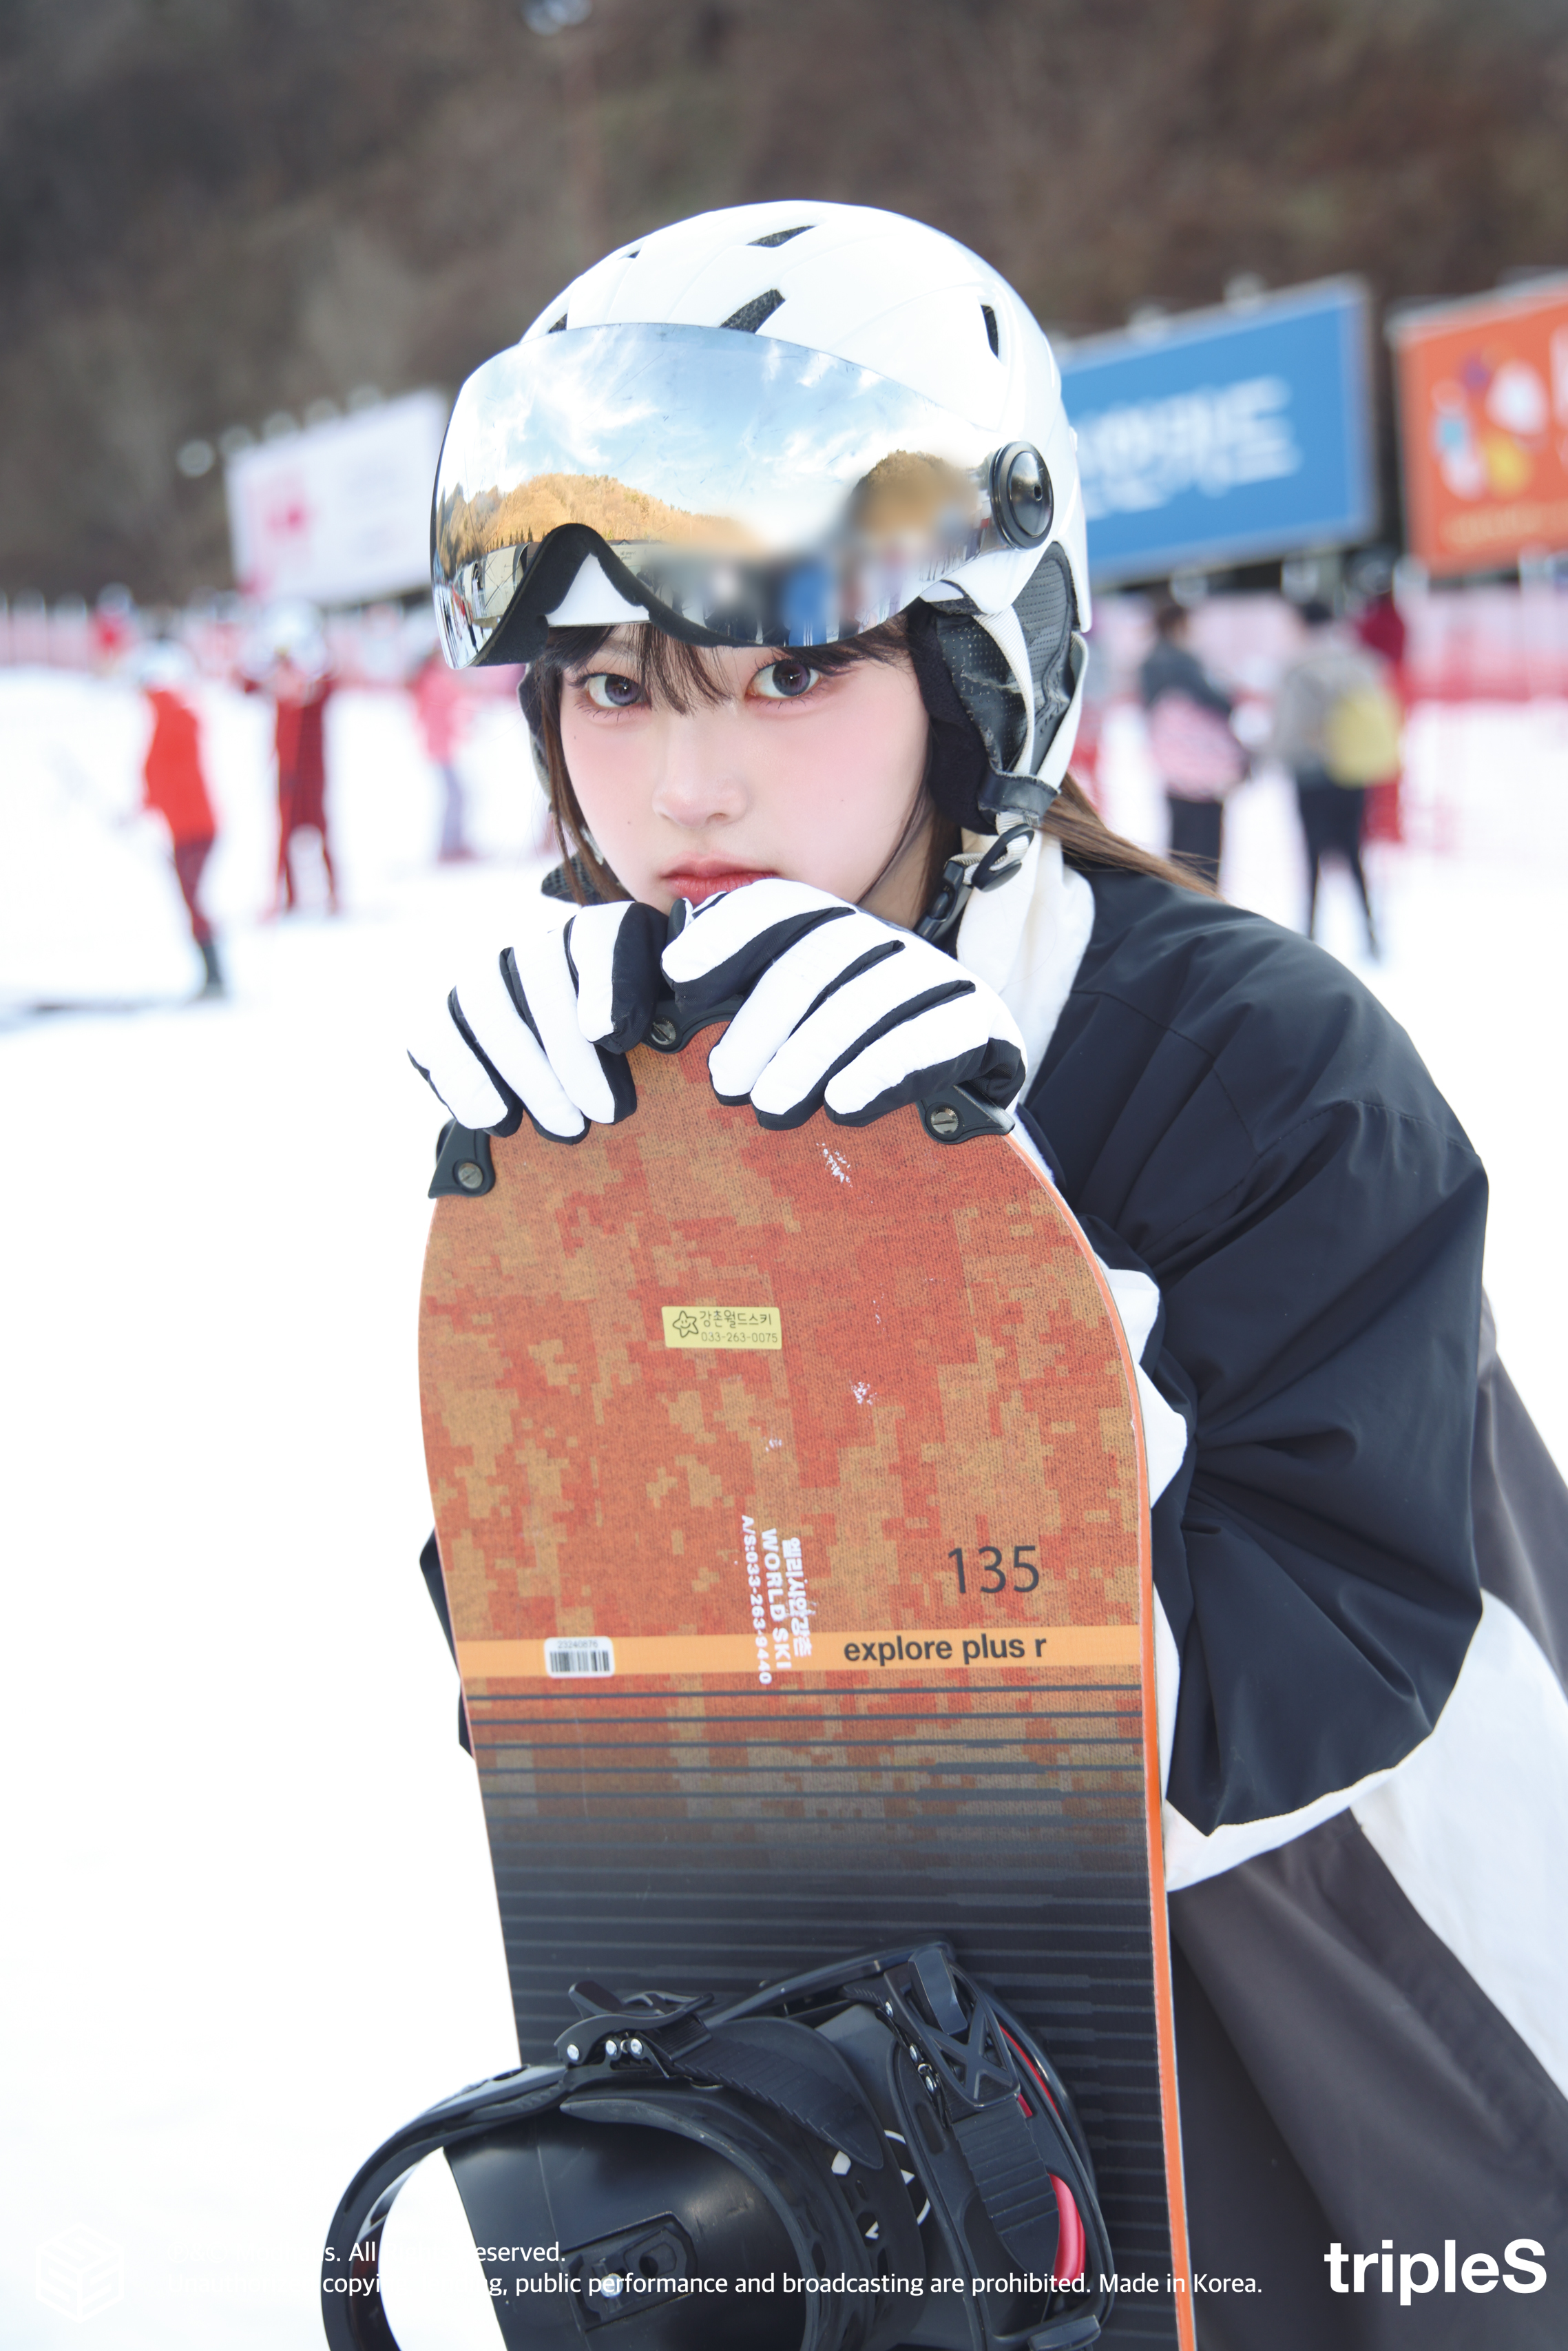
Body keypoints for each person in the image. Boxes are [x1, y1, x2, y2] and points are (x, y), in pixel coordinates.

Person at [403, 205, 1567, 2347]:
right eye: (613, 684)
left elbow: (1349, 1656)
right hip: (882, 2097)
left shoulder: (1251, 1061)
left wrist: (955, 1261)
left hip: (1336, 2058)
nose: (686, 779)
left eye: (788, 668)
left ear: (973, 665)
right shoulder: (615, 1073)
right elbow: (595, 1711)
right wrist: (559, 1291)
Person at [1271, 600, 1393, 953]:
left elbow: (1290, 726)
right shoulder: (1359, 661)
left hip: (1310, 773)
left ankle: (1310, 934)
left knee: (1312, 855)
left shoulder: (1299, 667)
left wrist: (1270, 757)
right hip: (1353, 769)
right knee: (1354, 852)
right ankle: (1370, 934)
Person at [1138, 597, 1247, 884]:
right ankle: (1205, 898)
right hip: (1202, 767)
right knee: (1207, 847)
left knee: (1179, 841)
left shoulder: (1148, 662)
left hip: (1172, 766)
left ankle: (1180, 895)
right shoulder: (1183, 661)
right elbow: (1218, 703)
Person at [136, 641, 224, 995]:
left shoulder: (171, 717)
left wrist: (150, 801)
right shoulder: (166, 717)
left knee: (193, 899)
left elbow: (166, 773)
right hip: (185, 826)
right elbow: (162, 775)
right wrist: (145, 806)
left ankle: (216, 975)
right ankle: (212, 974)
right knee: (191, 899)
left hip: (194, 827)